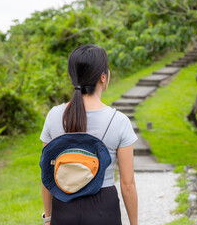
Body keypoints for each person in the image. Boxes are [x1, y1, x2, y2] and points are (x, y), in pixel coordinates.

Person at [40, 44, 138, 225]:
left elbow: (46, 173)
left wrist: (49, 217)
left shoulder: (54, 115)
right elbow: (128, 184)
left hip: (63, 206)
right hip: (103, 209)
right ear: (103, 76)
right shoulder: (119, 121)